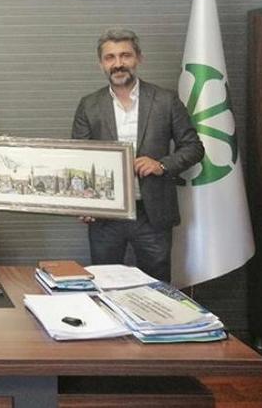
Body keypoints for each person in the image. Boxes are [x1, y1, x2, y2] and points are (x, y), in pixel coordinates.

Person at [71, 28, 204, 283]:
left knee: (157, 286)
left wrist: (161, 165)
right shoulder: (89, 105)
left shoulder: (166, 100)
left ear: (139, 58)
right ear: (101, 64)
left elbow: (194, 148)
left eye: (125, 55)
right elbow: (79, 160)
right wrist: (83, 203)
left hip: (152, 213)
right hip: (106, 216)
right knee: (104, 284)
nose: (118, 64)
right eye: (110, 57)